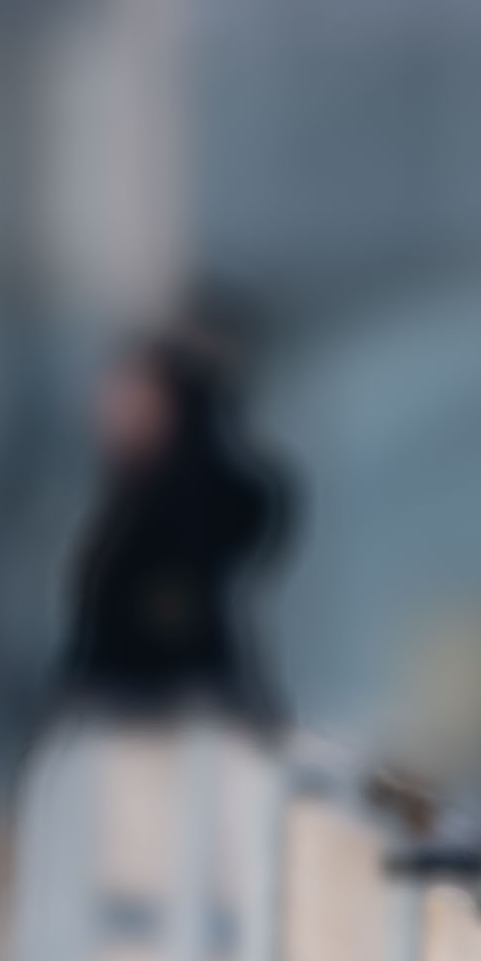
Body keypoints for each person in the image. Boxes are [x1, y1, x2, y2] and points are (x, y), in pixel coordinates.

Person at [55, 302, 293, 714]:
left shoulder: (191, 506)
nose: (108, 415)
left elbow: (174, 640)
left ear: (169, 404)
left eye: (128, 398)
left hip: (175, 727)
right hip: (128, 723)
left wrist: (205, 386)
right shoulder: (126, 507)